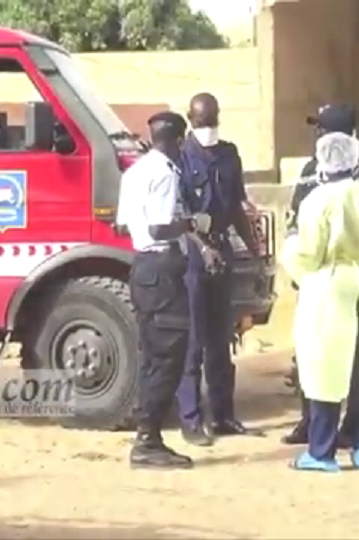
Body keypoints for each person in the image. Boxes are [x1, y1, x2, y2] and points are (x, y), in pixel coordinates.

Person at [281, 131, 359, 472]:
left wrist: (292, 258)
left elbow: (307, 251)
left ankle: (321, 452)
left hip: (330, 287)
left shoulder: (317, 201)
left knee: (323, 368)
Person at [115, 111, 219, 470]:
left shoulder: (135, 171)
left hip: (143, 269)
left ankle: (149, 437)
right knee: (169, 357)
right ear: (177, 140)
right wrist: (194, 222)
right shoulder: (163, 174)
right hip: (161, 270)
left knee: (153, 356)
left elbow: (121, 223)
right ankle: (148, 441)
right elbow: (160, 229)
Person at [175, 92, 262, 446]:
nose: (207, 128)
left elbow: (236, 208)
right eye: (201, 122)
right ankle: (191, 420)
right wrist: (203, 247)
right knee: (193, 341)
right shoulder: (180, 159)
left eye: (212, 121)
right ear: (190, 119)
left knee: (221, 341)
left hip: (223, 251)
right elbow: (179, 217)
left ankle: (223, 415)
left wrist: (252, 248)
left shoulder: (228, 155)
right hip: (193, 256)